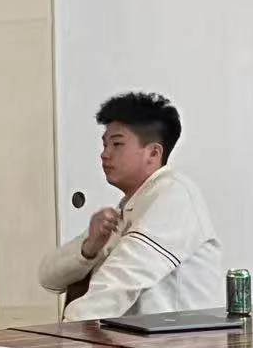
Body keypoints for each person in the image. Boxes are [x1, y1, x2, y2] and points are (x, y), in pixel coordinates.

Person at [39, 92, 222, 322]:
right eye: (104, 144)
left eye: (117, 144)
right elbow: (48, 277)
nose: (104, 154)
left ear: (153, 153)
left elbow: (123, 277)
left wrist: (67, 331)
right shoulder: (127, 207)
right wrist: (88, 248)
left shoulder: (175, 195)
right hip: (136, 345)